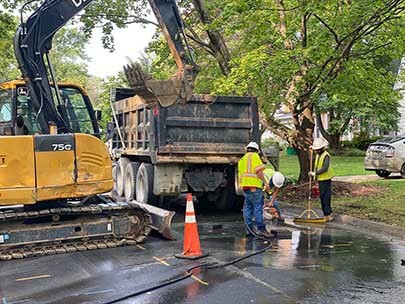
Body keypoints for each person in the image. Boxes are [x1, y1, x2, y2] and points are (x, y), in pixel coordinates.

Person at [238, 141, 272, 238]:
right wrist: (265, 182)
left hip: (245, 187)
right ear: (256, 150)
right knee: (257, 208)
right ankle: (262, 229)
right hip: (255, 187)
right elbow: (259, 172)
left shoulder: (242, 159)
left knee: (248, 208)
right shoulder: (254, 156)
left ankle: (249, 229)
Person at [309, 138, 334, 222]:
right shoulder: (318, 155)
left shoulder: (326, 155)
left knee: (325, 197)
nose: (316, 151)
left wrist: (315, 173)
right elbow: (317, 165)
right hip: (320, 179)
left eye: (317, 149)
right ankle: (327, 213)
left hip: (326, 179)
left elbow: (325, 168)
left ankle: (327, 214)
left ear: (321, 148)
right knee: (322, 197)